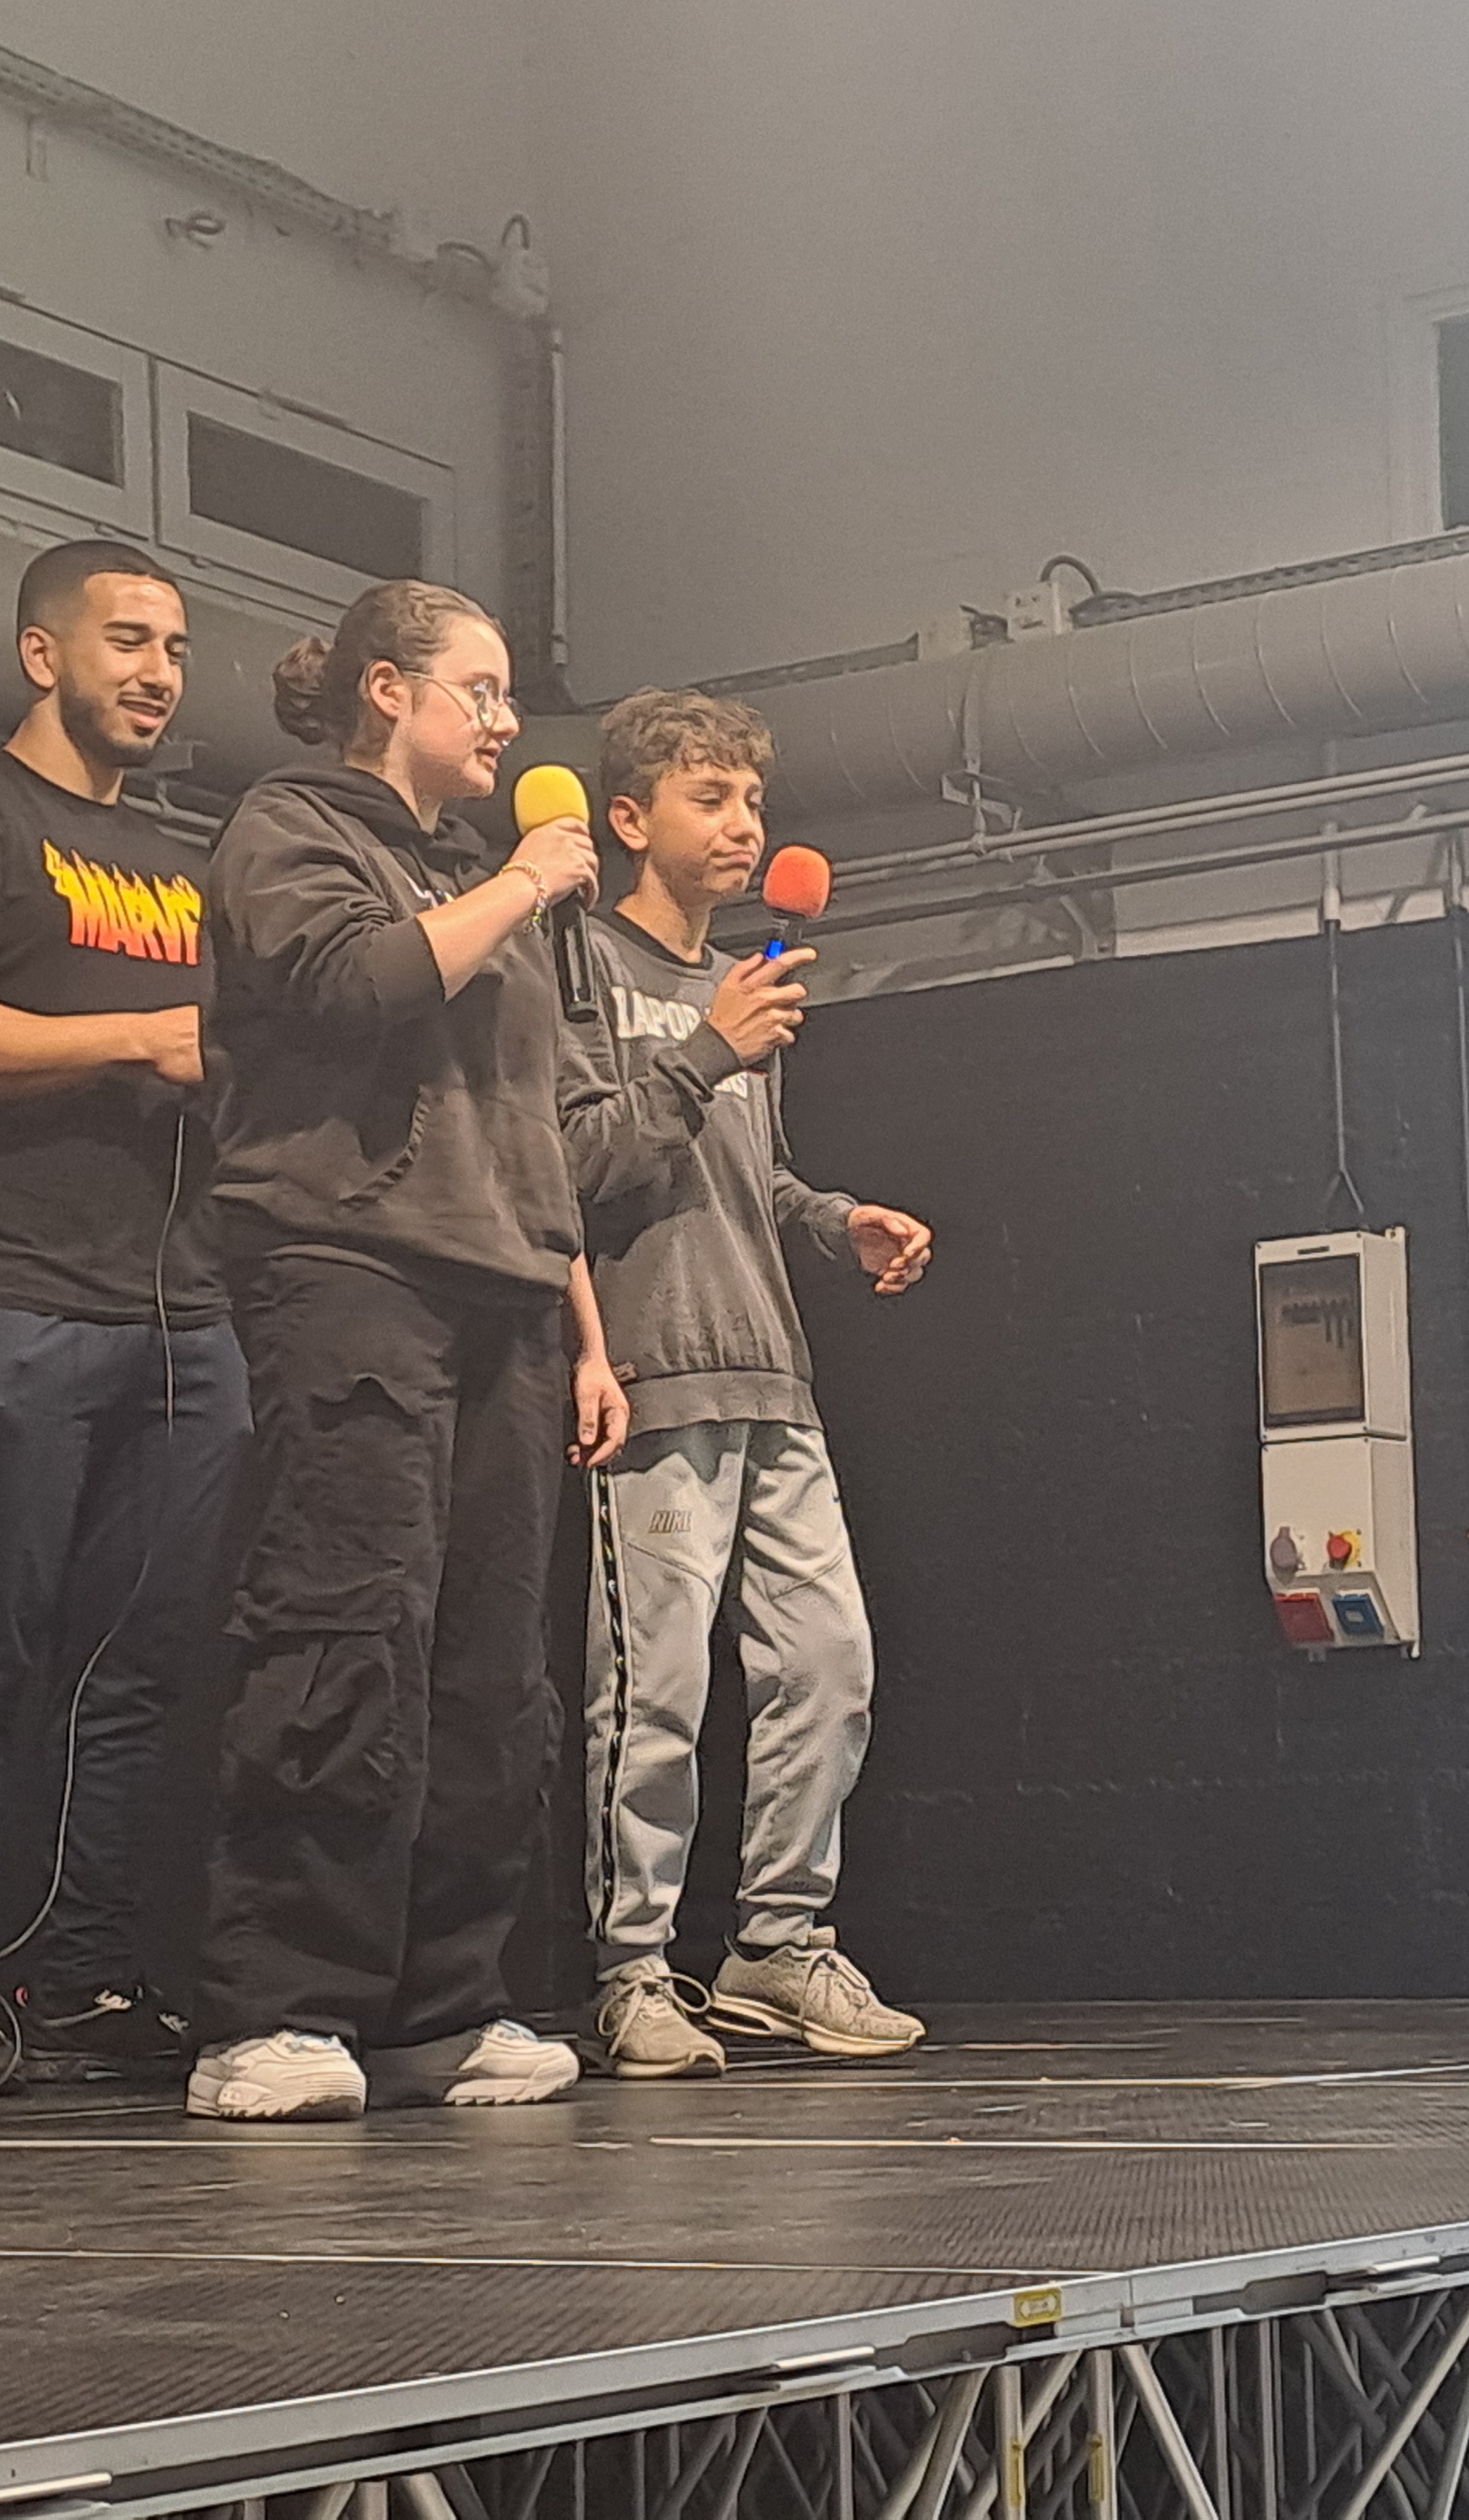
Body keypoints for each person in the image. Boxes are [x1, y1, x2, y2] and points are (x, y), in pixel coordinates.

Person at [188, 580, 630, 2123]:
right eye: (480, 690)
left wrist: (581, 1311)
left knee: (491, 1671)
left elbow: (564, 1131)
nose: (507, 722)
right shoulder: (293, 825)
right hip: (350, 1268)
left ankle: (443, 2005)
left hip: (504, 1289)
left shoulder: (487, 881)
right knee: (343, 1633)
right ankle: (280, 2009)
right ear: (389, 689)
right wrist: (519, 884)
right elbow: (349, 984)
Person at [0, 539, 249, 2098]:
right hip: (5, 1295)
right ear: (40, 653)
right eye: (128, 640)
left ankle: (80, 1975)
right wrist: (140, 1035)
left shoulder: (181, 867)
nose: (158, 673)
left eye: (177, 649)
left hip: (181, 1314)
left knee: (136, 1664)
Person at [557, 689, 935, 2077]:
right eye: (709, 799)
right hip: (652, 1378)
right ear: (629, 818)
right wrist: (708, 1047)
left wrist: (838, 1224)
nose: (743, 826)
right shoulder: (579, 966)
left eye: (752, 803)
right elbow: (572, 1165)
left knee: (830, 1667)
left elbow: (750, 1181)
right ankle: (630, 1971)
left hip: (775, 1377)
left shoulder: (741, 977)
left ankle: (777, 1945)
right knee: (653, 1693)